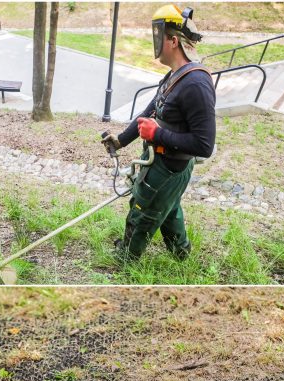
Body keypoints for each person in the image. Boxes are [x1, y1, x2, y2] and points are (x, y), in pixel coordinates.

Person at [101, 5, 216, 261]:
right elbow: (150, 111)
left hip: (171, 167)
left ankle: (126, 258)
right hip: (161, 161)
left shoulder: (196, 84)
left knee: (142, 210)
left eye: (158, 35)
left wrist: (157, 134)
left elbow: (204, 145)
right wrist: (121, 140)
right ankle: (181, 253)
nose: (154, 41)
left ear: (173, 41)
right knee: (169, 208)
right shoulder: (175, 76)